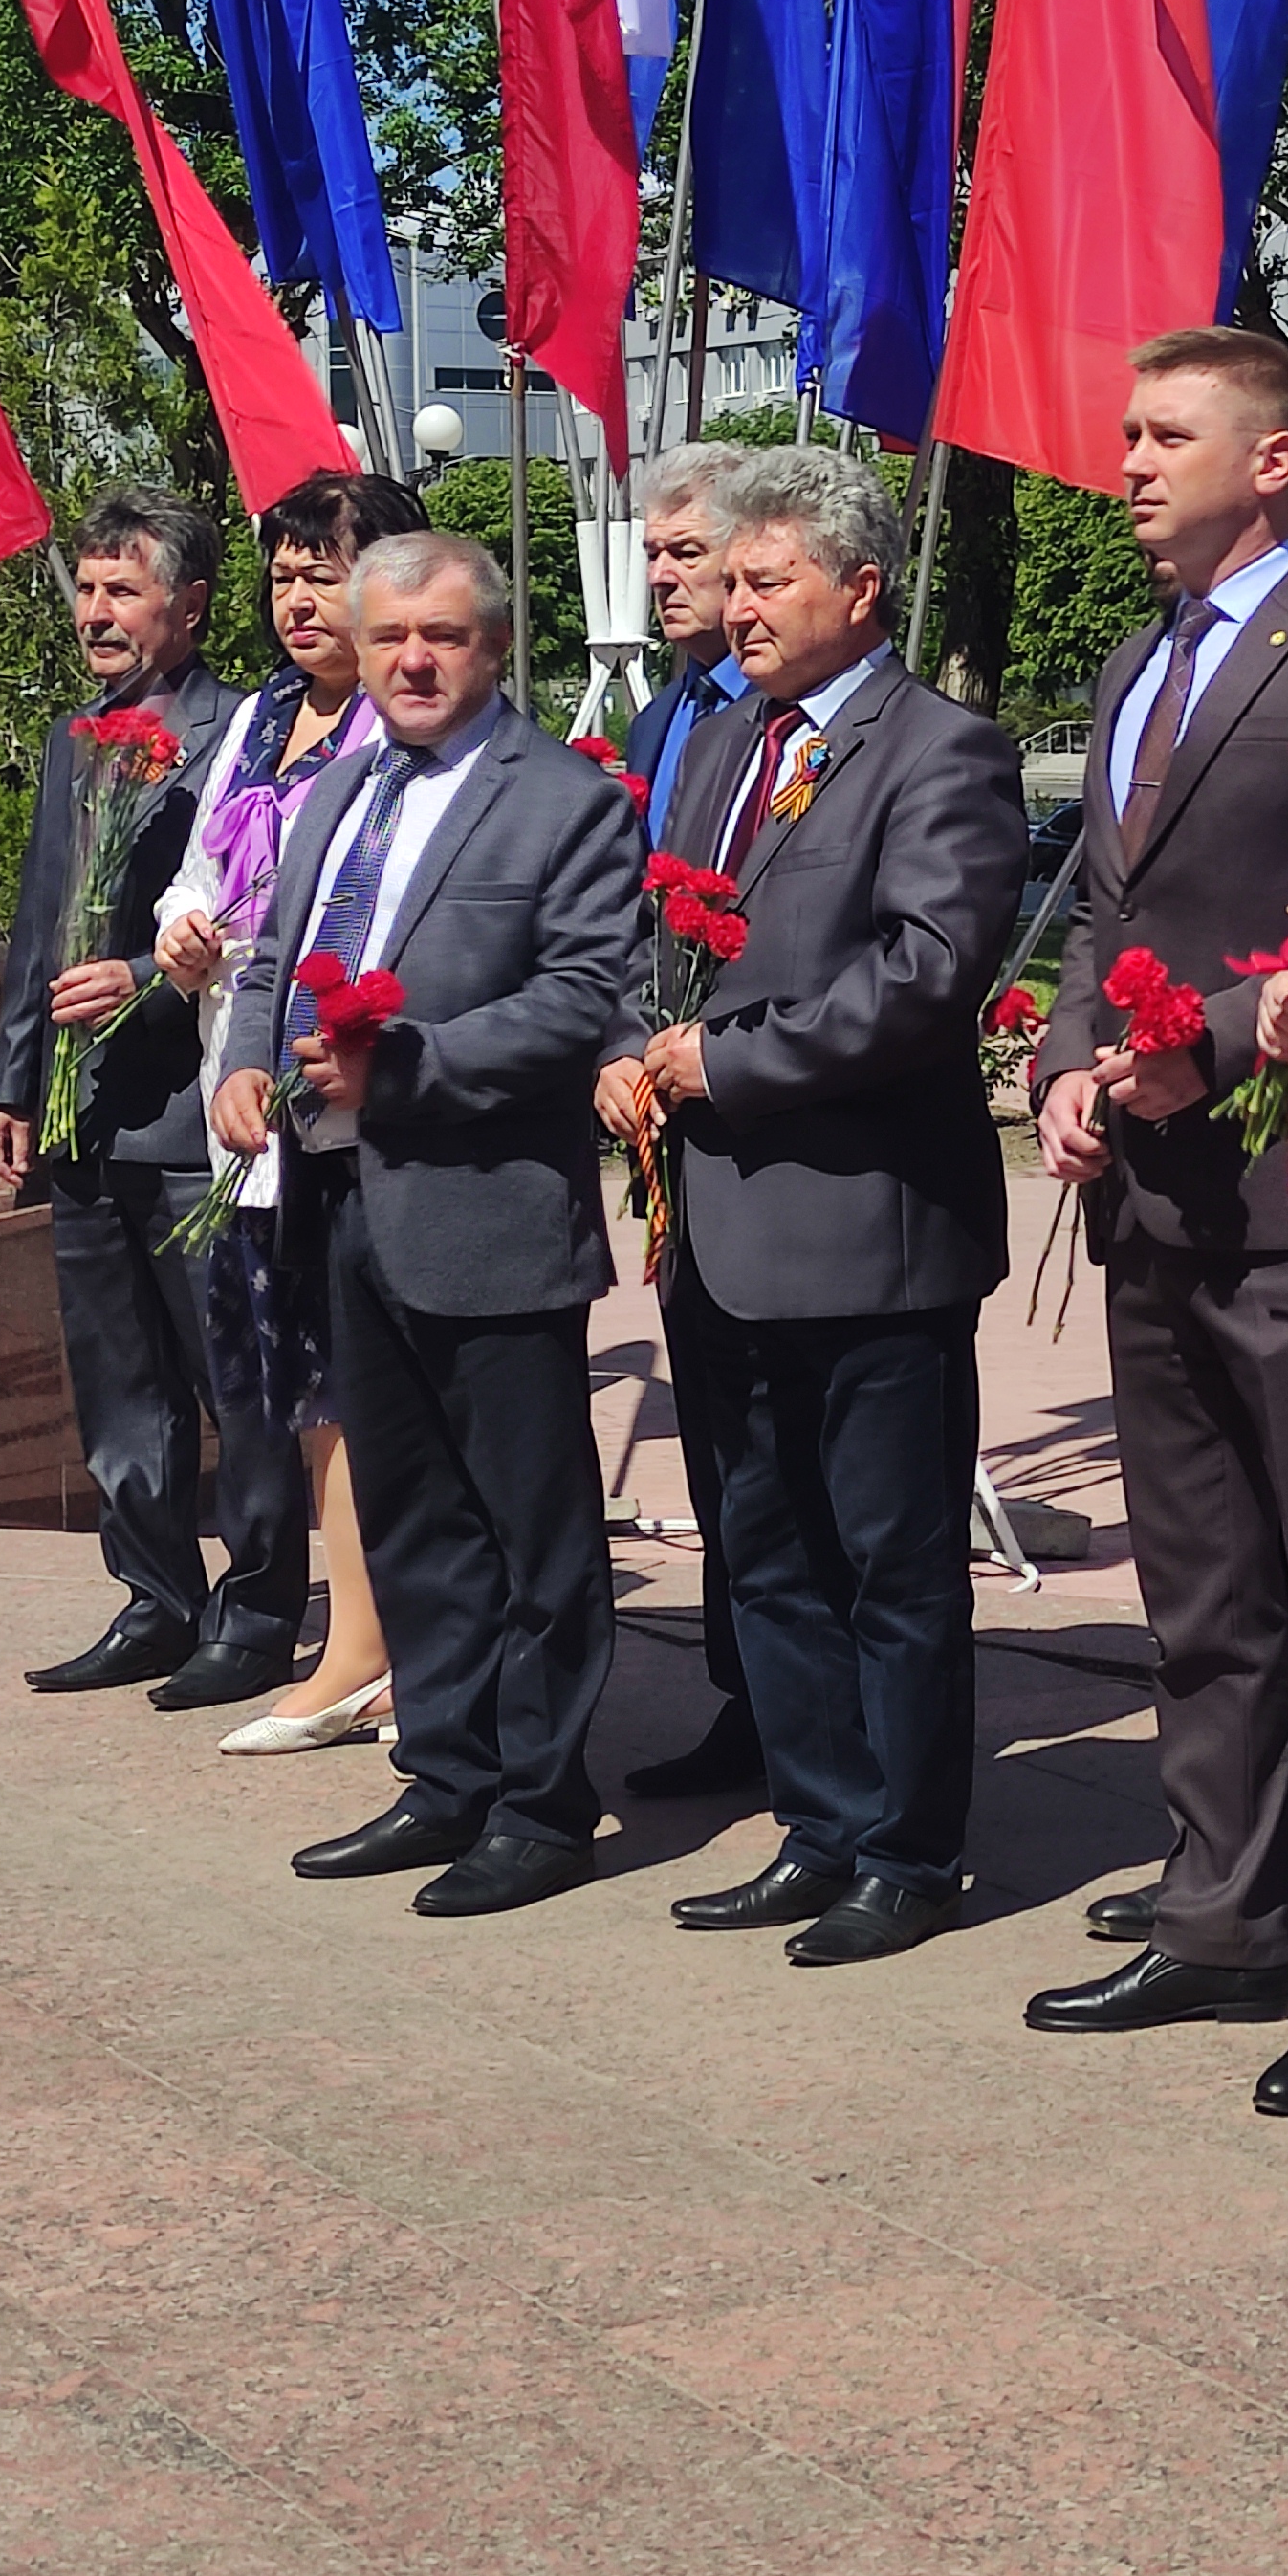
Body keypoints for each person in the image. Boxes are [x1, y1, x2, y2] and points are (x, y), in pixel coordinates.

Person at [1019, 330, 1288, 2121]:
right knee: (1197, 1593)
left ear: (1275, 465)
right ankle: (1218, 1915)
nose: (1124, 459)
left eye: (1164, 434)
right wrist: (1054, 1063)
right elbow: (1094, 908)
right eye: (1124, 429)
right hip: (1148, 1194)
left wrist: (1244, 1047)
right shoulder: (1131, 663)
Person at [614, 450, 1031, 1966]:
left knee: (891, 1559)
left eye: (764, 581)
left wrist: (724, 1063)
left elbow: (925, 980)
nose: (732, 609)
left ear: (861, 590)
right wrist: (629, 1048)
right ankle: (819, 1822)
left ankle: (910, 1853)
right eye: (725, 583)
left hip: (868, 1228)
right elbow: (658, 938)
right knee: (762, 1543)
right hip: (718, 1224)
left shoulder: (945, 754)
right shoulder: (727, 751)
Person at [208, 535, 645, 1914]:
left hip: (486, 1214)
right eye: (389, 634)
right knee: (409, 1518)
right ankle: (445, 1777)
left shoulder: (564, 800)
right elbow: (280, 949)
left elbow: (587, 997)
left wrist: (417, 1068)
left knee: (530, 1527)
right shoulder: (340, 790)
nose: (410, 659)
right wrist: (243, 1053)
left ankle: (543, 1803)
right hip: (337, 1201)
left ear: (494, 647)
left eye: (442, 637)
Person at [0, 493, 313, 1714]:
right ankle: (156, 1596)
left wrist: (136, 975)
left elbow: (247, 908)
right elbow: (38, 917)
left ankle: (263, 1604)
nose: (96, 614)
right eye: (85, 591)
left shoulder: (241, 737)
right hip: (83, 1114)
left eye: (122, 592)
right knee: (118, 1376)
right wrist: (11, 1082)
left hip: (193, 1104)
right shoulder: (78, 736)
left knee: (232, 1373)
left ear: (186, 605)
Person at [147, 468, 425, 1756]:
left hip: (350, 1091)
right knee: (299, 1378)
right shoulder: (263, 719)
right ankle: (355, 1641)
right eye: (286, 573)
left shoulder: (407, 725)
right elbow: (204, 871)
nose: (300, 595)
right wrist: (185, 937)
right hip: (244, 1090)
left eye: (327, 567)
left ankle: (388, 1649)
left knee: (360, 1376)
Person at [615, 443, 767, 1806]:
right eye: (652, 553)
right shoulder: (671, 715)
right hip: (665, 1127)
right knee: (716, 1444)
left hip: (769, 1123)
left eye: (686, 553)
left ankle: (802, 1712)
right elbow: (632, 916)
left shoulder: (781, 724)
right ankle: (745, 1694)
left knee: (782, 1456)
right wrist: (625, 1047)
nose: (662, 574)